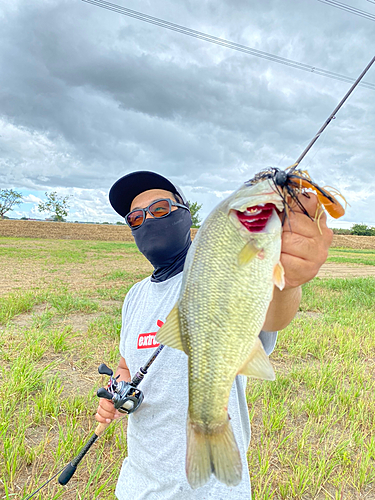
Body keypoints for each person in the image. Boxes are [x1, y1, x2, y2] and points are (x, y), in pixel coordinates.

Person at [96, 170, 333, 500]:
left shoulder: (221, 272)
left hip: (213, 492)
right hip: (138, 486)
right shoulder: (134, 295)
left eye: (161, 209)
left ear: (187, 216)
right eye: (135, 218)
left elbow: (275, 313)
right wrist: (116, 392)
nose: (148, 221)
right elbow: (125, 363)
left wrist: (290, 279)